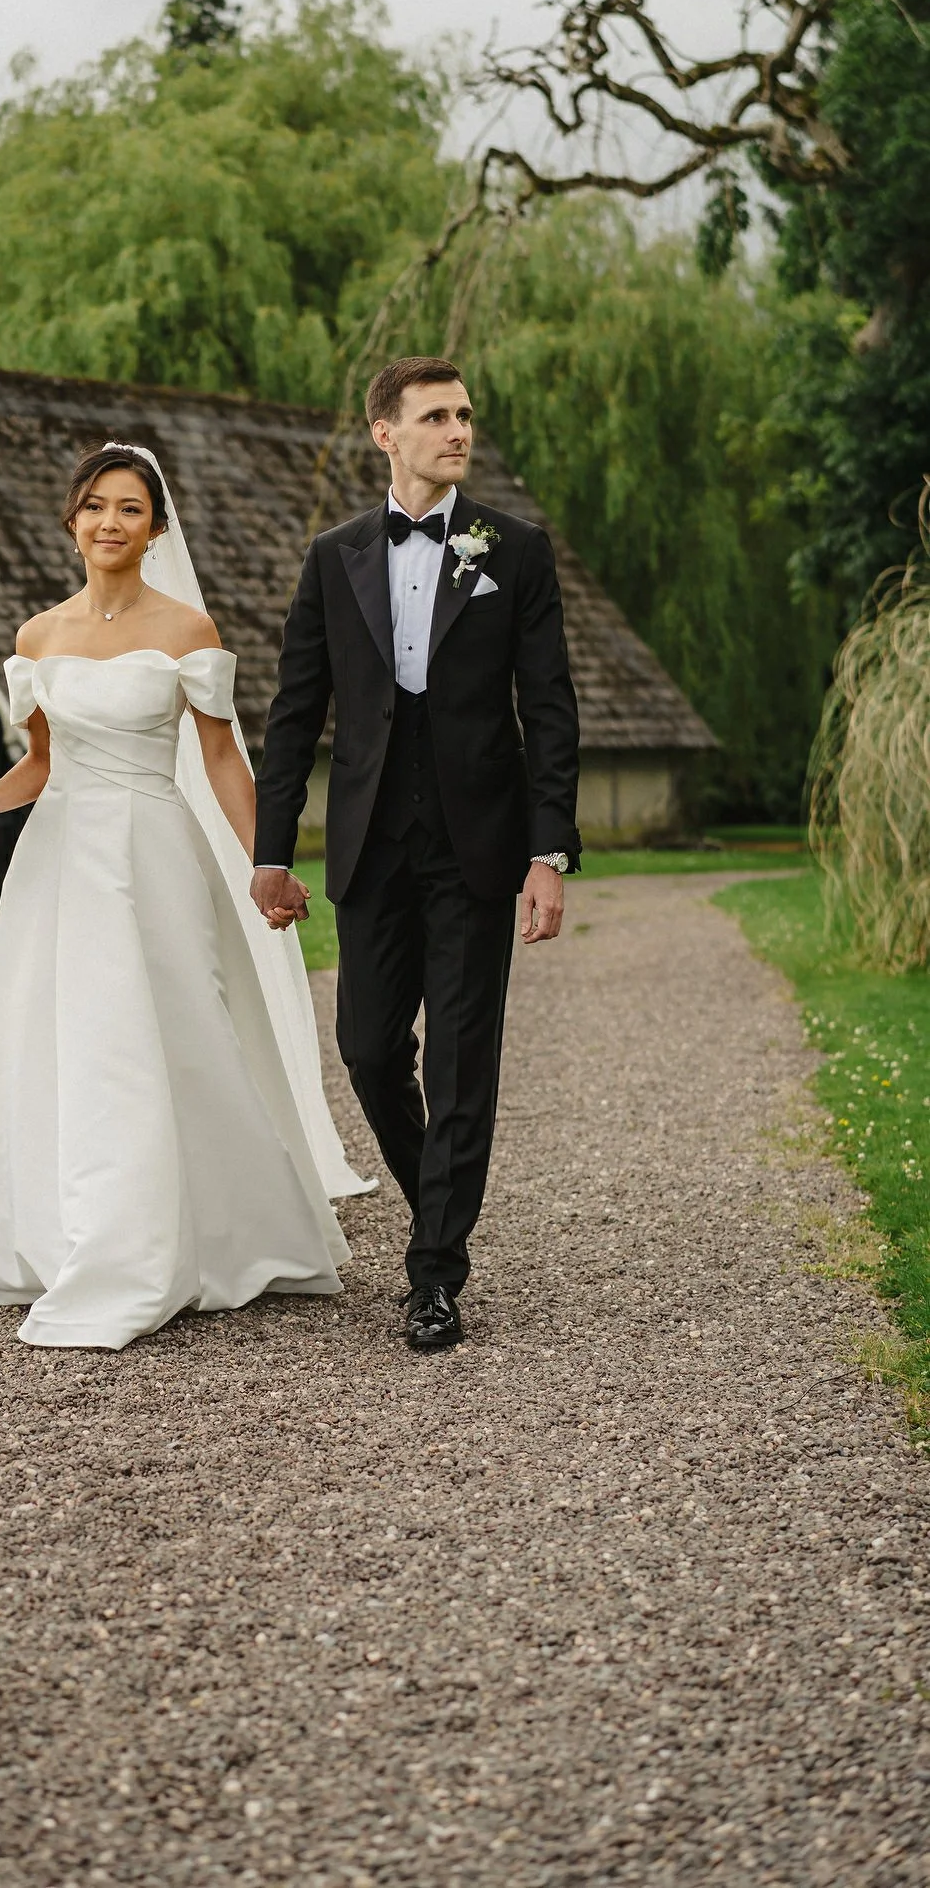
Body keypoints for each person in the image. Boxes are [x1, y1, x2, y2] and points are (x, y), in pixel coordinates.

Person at [0, 442, 370, 1351]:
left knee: (173, 1033)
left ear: (156, 528)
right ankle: (80, 1236)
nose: (109, 522)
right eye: (94, 505)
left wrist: (267, 861)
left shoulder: (187, 632)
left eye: (129, 509)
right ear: (72, 520)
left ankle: (209, 1234)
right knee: (68, 1040)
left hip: (154, 855)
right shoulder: (37, 637)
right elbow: (44, 766)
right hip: (60, 863)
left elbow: (218, 756)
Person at [250, 357, 581, 1354]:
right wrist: (272, 851)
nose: (459, 431)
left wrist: (548, 853)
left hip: (480, 845)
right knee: (365, 1048)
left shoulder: (513, 551)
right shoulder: (334, 556)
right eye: (436, 416)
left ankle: (435, 1271)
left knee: (464, 1061)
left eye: (467, 414)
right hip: (370, 845)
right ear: (383, 433)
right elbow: (294, 712)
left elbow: (550, 708)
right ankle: (439, 1187)